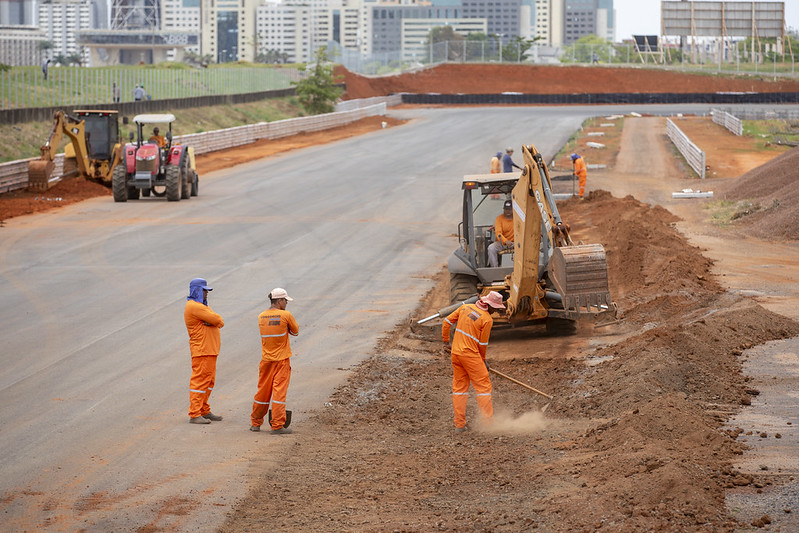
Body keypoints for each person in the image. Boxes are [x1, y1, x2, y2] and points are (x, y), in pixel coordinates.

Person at [442, 291, 505, 431]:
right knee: (483, 388)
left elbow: (446, 322)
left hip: (456, 354)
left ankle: (460, 425)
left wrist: (446, 342)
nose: (495, 311)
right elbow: (482, 345)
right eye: (495, 308)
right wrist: (483, 361)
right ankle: (488, 424)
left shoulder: (465, 308)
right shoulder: (487, 319)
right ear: (489, 305)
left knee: (459, 389)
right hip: (470, 356)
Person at [250, 287, 298, 434]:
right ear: (280, 301)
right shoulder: (286, 315)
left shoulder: (261, 316)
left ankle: (255, 423)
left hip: (266, 361)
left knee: (262, 392)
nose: (287, 303)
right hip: (281, 361)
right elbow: (295, 331)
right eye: (286, 301)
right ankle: (277, 425)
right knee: (279, 393)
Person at [184, 278, 225, 424]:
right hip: (202, 350)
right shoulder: (195, 306)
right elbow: (219, 320)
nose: (207, 293)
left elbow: (217, 321)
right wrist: (214, 322)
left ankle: (204, 410)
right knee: (200, 382)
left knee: (208, 382)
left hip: (209, 350)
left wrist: (213, 322)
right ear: (197, 291)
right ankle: (195, 413)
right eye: (204, 291)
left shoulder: (202, 307)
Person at [487, 199, 514, 267]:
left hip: (515, 243)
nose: (508, 211)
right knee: (491, 248)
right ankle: (495, 268)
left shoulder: (517, 218)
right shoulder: (499, 219)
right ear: (504, 209)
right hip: (502, 243)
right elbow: (498, 232)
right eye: (506, 209)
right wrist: (505, 241)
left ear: (513, 209)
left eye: (509, 209)